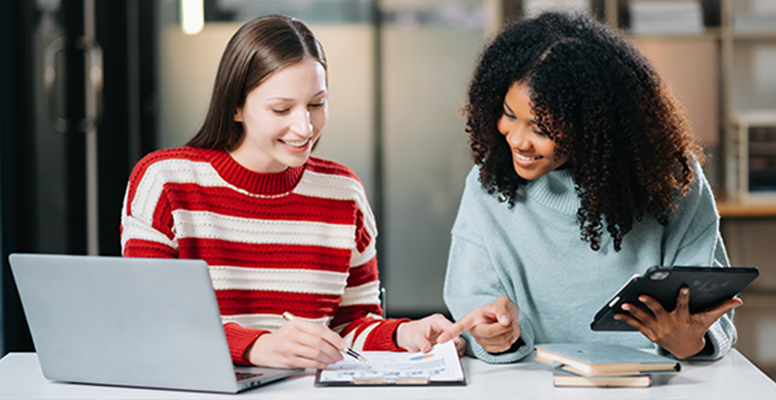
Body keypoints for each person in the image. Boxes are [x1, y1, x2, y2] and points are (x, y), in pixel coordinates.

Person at [121, 14, 460, 369]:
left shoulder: (343, 194)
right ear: (235, 107)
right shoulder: (165, 183)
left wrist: (404, 335)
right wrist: (257, 347)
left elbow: (350, 327)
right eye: (281, 109)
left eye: (316, 104)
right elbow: (151, 321)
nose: (305, 127)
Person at [436, 11, 740, 364]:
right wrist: (493, 335)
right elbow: (471, 303)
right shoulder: (489, 184)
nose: (518, 140)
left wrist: (690, 344)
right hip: (527, 383)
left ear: (595, 128)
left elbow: (707, 313)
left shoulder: (671, 180)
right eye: (508, 113)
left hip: (653, 383)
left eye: (541, 128)